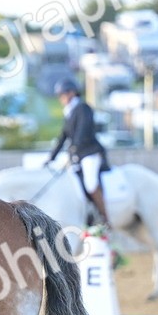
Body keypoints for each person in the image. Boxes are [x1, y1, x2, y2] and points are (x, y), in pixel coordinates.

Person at [46, 78, 110, 226]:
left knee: (90, 183)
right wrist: (51, 157)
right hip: (78, 155)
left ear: (72, 93)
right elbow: (63, 137)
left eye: (63, 94)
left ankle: (104, 216)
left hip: (90, 153)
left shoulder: (83, 108)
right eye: (60, 96)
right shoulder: (69, 112)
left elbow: (82, 131)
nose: (61, 98)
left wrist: (74, 149)